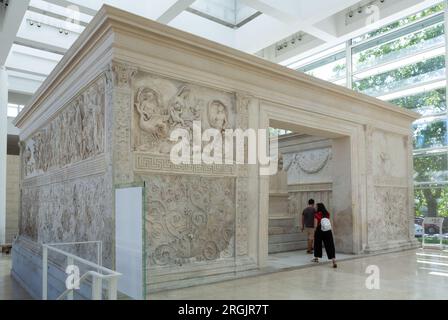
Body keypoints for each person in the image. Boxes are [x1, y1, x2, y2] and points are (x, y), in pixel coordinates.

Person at [312, 203, 337, 268]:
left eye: (316, 207)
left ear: (319, 208)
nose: (315, 208)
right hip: (328, 230)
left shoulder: (316, 214)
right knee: (330, 245)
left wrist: (314, 231)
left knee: (317, 244)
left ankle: (316, 258)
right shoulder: (327, 214)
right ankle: (333, 260)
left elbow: (315, 225)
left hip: (319, 230)